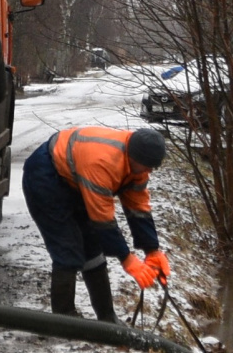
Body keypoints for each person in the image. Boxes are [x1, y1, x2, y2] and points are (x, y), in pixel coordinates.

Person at [22, 126, 171, 323]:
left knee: (93, 249)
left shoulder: (137, 166)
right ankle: (63, 320)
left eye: (153, 167)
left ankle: (107, 318)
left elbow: (138, 208)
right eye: (147, 166)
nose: (149, 171)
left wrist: (152, 250)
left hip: (74, 178)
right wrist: (127, 259)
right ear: (133, 157)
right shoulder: (102, 163)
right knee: (68, 247)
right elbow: (102, 219)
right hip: (46, 175)